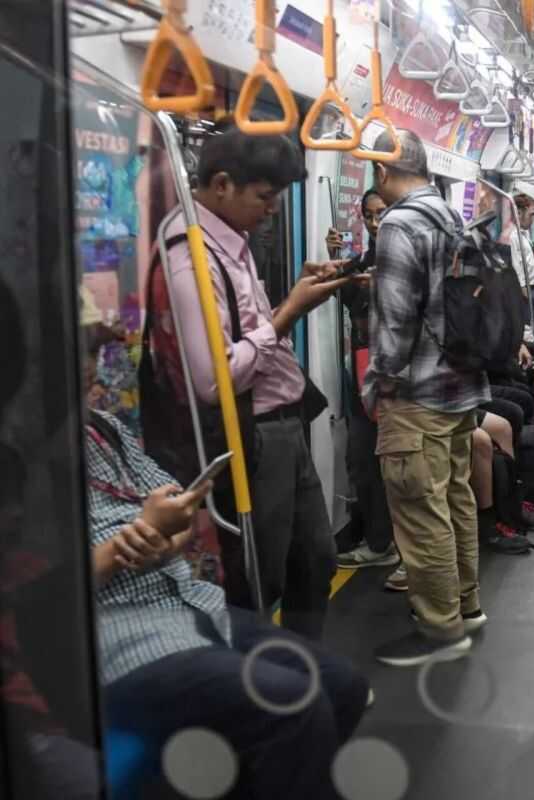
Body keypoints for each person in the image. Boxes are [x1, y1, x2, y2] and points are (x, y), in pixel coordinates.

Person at [84, 396, 367, 798]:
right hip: (121, 632)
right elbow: (35, 587)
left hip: (192, 605)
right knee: (292, 705)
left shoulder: (103, 427)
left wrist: (164, 541)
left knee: (344, 685)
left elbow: (176, 506)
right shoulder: (20, 463)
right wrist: (125, 546)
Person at [158, 121, 349, 640]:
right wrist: (290, 311)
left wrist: (292, 293)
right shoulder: (190, 254)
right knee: (256, 579)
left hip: (284, 427)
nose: (272, 210)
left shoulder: (234, 244)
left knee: (314, 558)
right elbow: (213, 379)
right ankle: (263, 686)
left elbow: (250, 328)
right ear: (222, 185)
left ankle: (303, 668)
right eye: (264, 197)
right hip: (254, 438)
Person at [362, 128, 488, 667]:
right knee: (454, 498)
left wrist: (378, 384)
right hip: (460, 388)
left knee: (419, 510)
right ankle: (465, 604)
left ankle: (440, 630)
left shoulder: (399, 224)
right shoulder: (454, 219)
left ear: (384, 173)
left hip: (418, 395)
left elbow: (394, 324)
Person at [325, 190, 403, 581]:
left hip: (394, 373)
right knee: (362, 457)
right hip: (362, 367)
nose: (375, 222)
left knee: (394, 460)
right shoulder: (364, 261)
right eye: (369, 216)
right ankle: (380, 540)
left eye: (382, 213)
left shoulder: (406, 259)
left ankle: (396, 545)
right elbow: (347, 297)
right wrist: (334, 261)